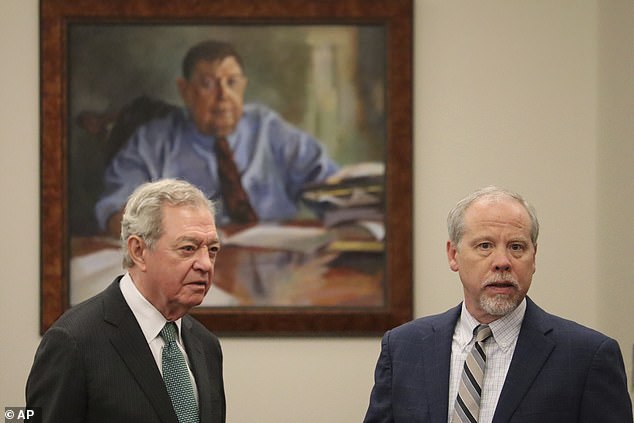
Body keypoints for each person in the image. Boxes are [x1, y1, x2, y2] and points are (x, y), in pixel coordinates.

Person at [363, 186, 633, 423]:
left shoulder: (587, 357)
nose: (502, 261)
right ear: (453, 255)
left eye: (516, 247)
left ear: (534, 257)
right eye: (485, 246)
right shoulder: (403, 348)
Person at [27, 179, 226, 423]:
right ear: (138, 251)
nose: (205, 264)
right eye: (188, 248)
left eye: (212, 250)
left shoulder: (206, 345)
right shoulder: (74, 342)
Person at [95, 39, 339, 237]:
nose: (224, 95)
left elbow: (332, 188)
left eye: (232, 83)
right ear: (185, 91)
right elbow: (117, 211)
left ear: (243, 86)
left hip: (277, 262)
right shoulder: (152, 141)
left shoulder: (270, 130)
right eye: (208, 84)